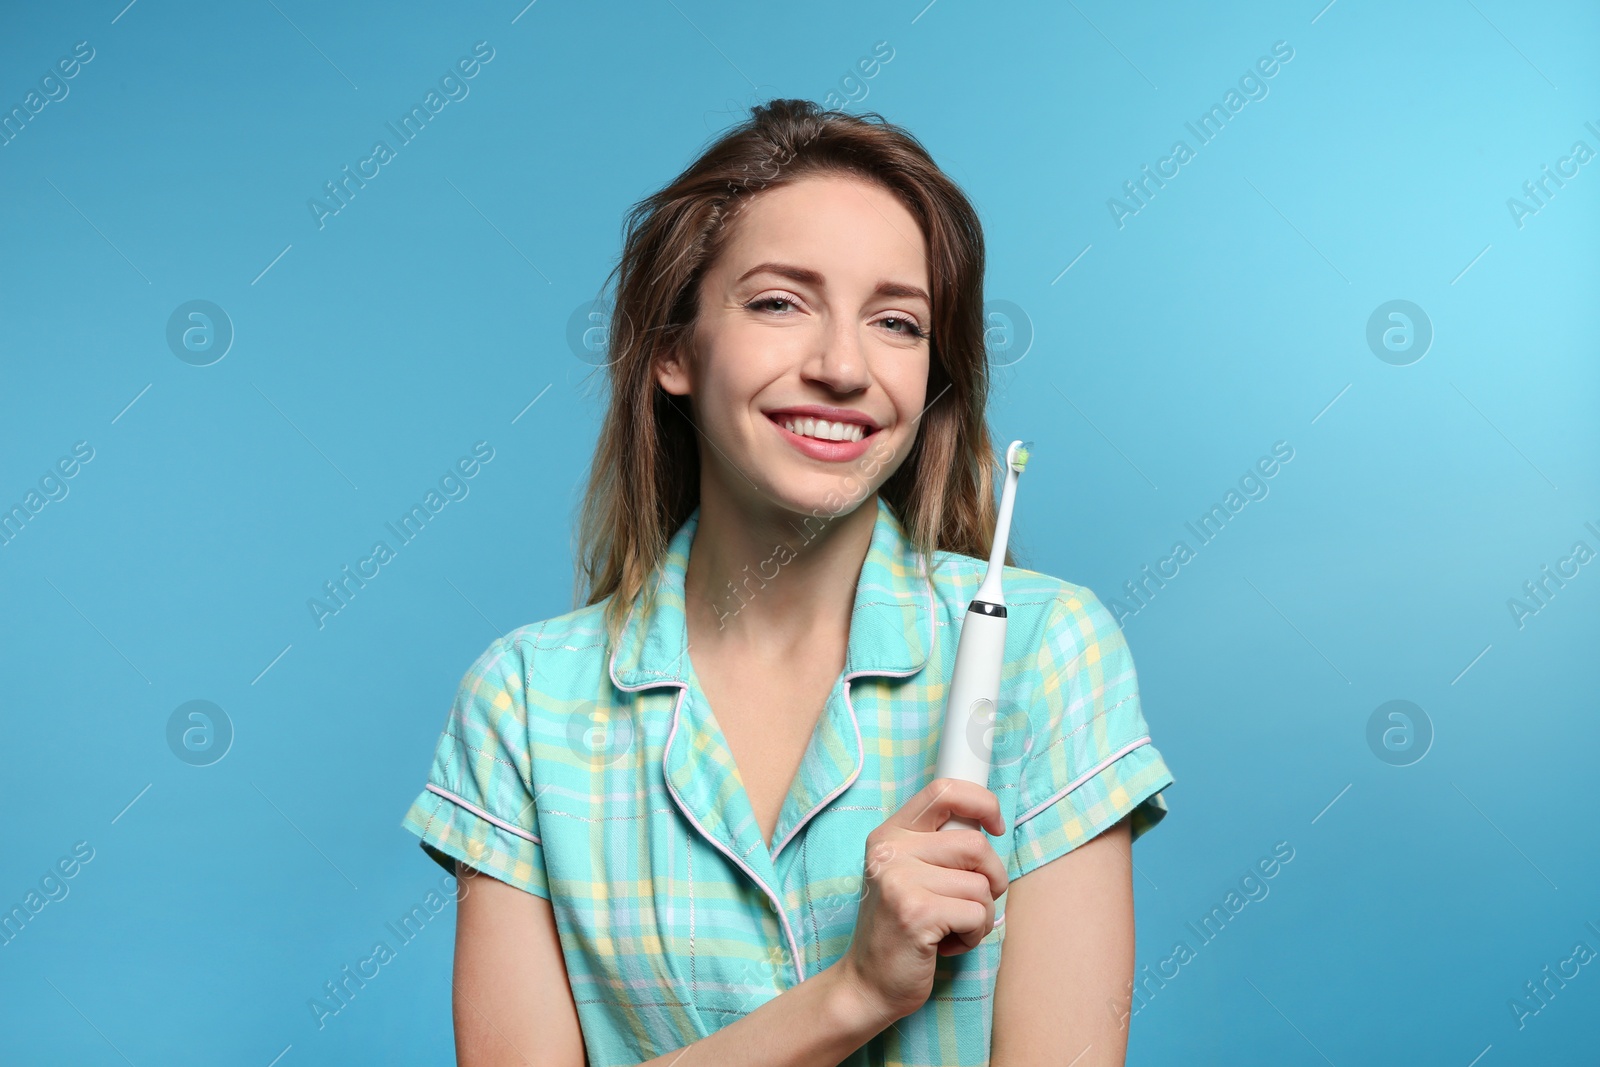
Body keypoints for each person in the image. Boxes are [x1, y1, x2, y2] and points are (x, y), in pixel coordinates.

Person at [400, 97, 1174, 1066]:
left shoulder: (1047, 650)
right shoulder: (523, 703)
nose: (843, 365)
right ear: (674, 351)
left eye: (896, 321)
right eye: (779, 301)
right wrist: (852, 993)